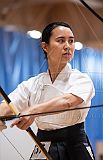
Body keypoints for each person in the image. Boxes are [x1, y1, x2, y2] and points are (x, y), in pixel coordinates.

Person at [0, 22, 95, 160]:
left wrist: (33, 111)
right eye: (61, 41)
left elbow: (67, 101)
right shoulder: (32, 84)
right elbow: (8, 106)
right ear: (45, 46)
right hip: (44, 144)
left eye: (71, 41)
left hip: (75, 146)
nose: (68, 46)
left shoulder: (81, 79)